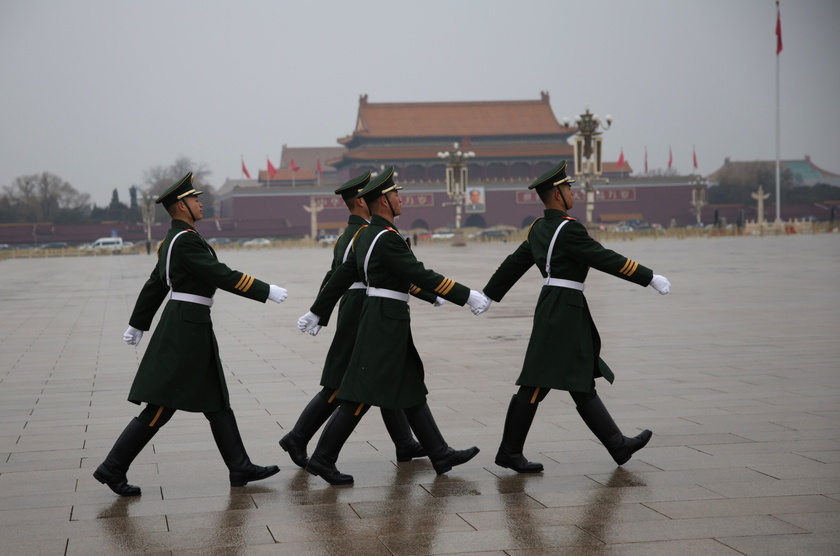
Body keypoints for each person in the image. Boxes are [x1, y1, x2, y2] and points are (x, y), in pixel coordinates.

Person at [93, 172, 289, 496]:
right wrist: (264, 290)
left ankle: (239, 466)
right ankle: (113, 467)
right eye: (195, 199)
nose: (201, 203)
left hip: (191, 323)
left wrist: (138, 323)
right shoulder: (184, 241)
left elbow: (155, 284)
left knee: (216, 401)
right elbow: (219, 274)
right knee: (160, 406)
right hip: (185, 328)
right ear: (181, 205)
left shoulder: (174, 240)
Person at [297, 167, 490, 485]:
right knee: (360, 394)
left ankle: (439, 453)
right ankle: (322, 458)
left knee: (410, 386)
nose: (401, 198)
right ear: (383, 201)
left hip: (385, 318)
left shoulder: (367, 236)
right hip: (385, 320)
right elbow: (420, 274)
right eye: (396, 194)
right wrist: (466, 296)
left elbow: (341, 277)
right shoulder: (386, 239)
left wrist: (317, 311)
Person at [482, 161, 671, 473]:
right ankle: (510, 451)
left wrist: (489, 293)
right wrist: (647, 277)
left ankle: (617, 445)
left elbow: (514, 262)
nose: (573, 192)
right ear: (557, 194)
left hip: (557, 305)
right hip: (563, 308)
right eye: (568, 188)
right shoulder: (568, 229)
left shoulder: (539, 228)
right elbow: (604, 258)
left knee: (577, 378)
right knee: (537, 382)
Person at [279, 171, 427, 469]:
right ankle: (299, 437)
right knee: (343, 384)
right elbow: (343, 275)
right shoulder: (361, 233)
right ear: (363, 200)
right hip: (360, 309)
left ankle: (404, 441)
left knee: (385, 376)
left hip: (358, 306)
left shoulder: (354, 232)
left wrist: (320, 311)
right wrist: (320, 311)